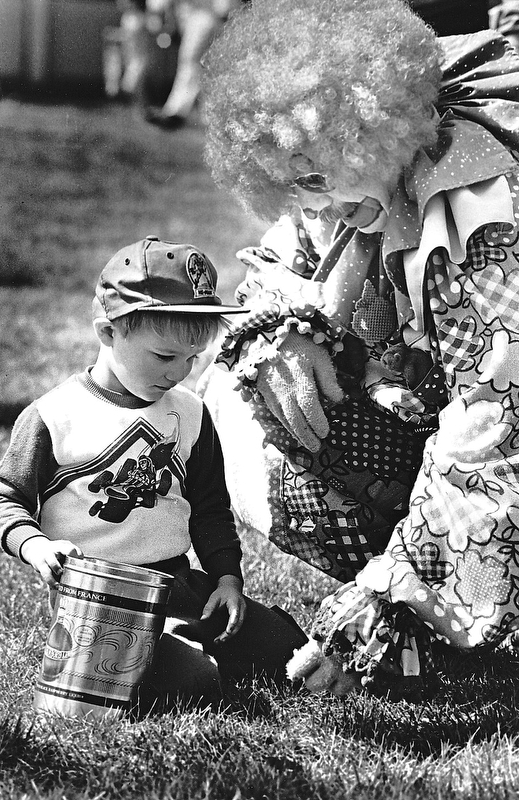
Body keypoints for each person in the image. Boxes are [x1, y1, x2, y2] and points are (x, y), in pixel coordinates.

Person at [200, 0, 519, 701]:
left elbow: (496, 425)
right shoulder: (347, 188)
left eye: (314, 179)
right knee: (245, 392)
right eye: (291, 184)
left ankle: (450, 607)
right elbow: (267, 283)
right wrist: (288, 334)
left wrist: (385, 599)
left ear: (371, 128)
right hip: (458, 443)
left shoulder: (477, 209)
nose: (310, 203)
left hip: (500, 449)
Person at [0, 235, 307, 710]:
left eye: (191, 358)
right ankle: (176, 659)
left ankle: (186, 639)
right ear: (108, 331)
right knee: (197, 682)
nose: (178, 372)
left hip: (179, 586)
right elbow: (2, 498)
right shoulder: (54, 416)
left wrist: (226, 580)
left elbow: (210, 509)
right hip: (98, 603)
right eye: (163, 356)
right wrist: (35, 546)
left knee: (289, 651)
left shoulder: (191, 414)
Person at [145, 0, 243, 129]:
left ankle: (177, 113)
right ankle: (208, 117)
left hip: (206, 18)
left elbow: (223, 8)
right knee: (204, 67)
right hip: (206, 18)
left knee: (191, 62)